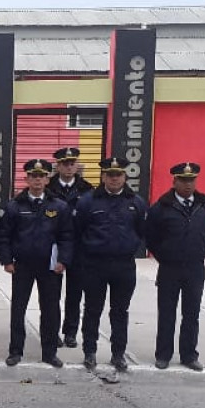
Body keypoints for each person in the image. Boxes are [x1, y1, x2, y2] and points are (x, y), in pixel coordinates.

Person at [74, 157, 148, 378]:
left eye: (118, 175)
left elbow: (142, 231)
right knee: (92, 310)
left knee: (120, 311)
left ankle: (118, 353)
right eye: (110, 175)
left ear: (125, 176)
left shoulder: (136, 202)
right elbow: (78, 232)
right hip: (95, 264)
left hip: (123, 265)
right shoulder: (88, 201)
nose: (114, 179)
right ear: (103, 176)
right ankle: (90, 351)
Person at [0, 159, 73, 368]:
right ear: (27, 178)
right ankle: (15, 351)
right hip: (22, 265)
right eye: (33, 176)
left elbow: (67, 236)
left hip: (50, 267)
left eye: (41, 176)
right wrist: (6, 260)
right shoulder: (15, 205)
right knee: (18, 310)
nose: (37, 180)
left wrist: (63, 260)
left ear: (48, 179)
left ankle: (49, 352)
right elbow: (4, 235)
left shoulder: (59, 206)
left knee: (50, 310)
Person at [145, 162, 205, 372]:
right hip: (169, 268)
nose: (187, 184)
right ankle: (163, 355)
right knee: (167, 313)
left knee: (191, 313)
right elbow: (151, 237)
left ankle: (189, 355)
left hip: (195, 268)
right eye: (183, 180)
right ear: (174, 181)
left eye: (191, 180)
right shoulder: (161, 207)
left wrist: (198, 250)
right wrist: (165, 255)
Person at [46, 147, 95, 349]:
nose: (68, 166)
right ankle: (52, 331)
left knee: (75, 292)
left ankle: (70, 332)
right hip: (54, 246)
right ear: (57, 166)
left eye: (72, 163)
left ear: (77, 165)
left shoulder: (88, 189)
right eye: (64, 163)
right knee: (52, 292)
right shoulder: (48, 187)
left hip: (78, 246)